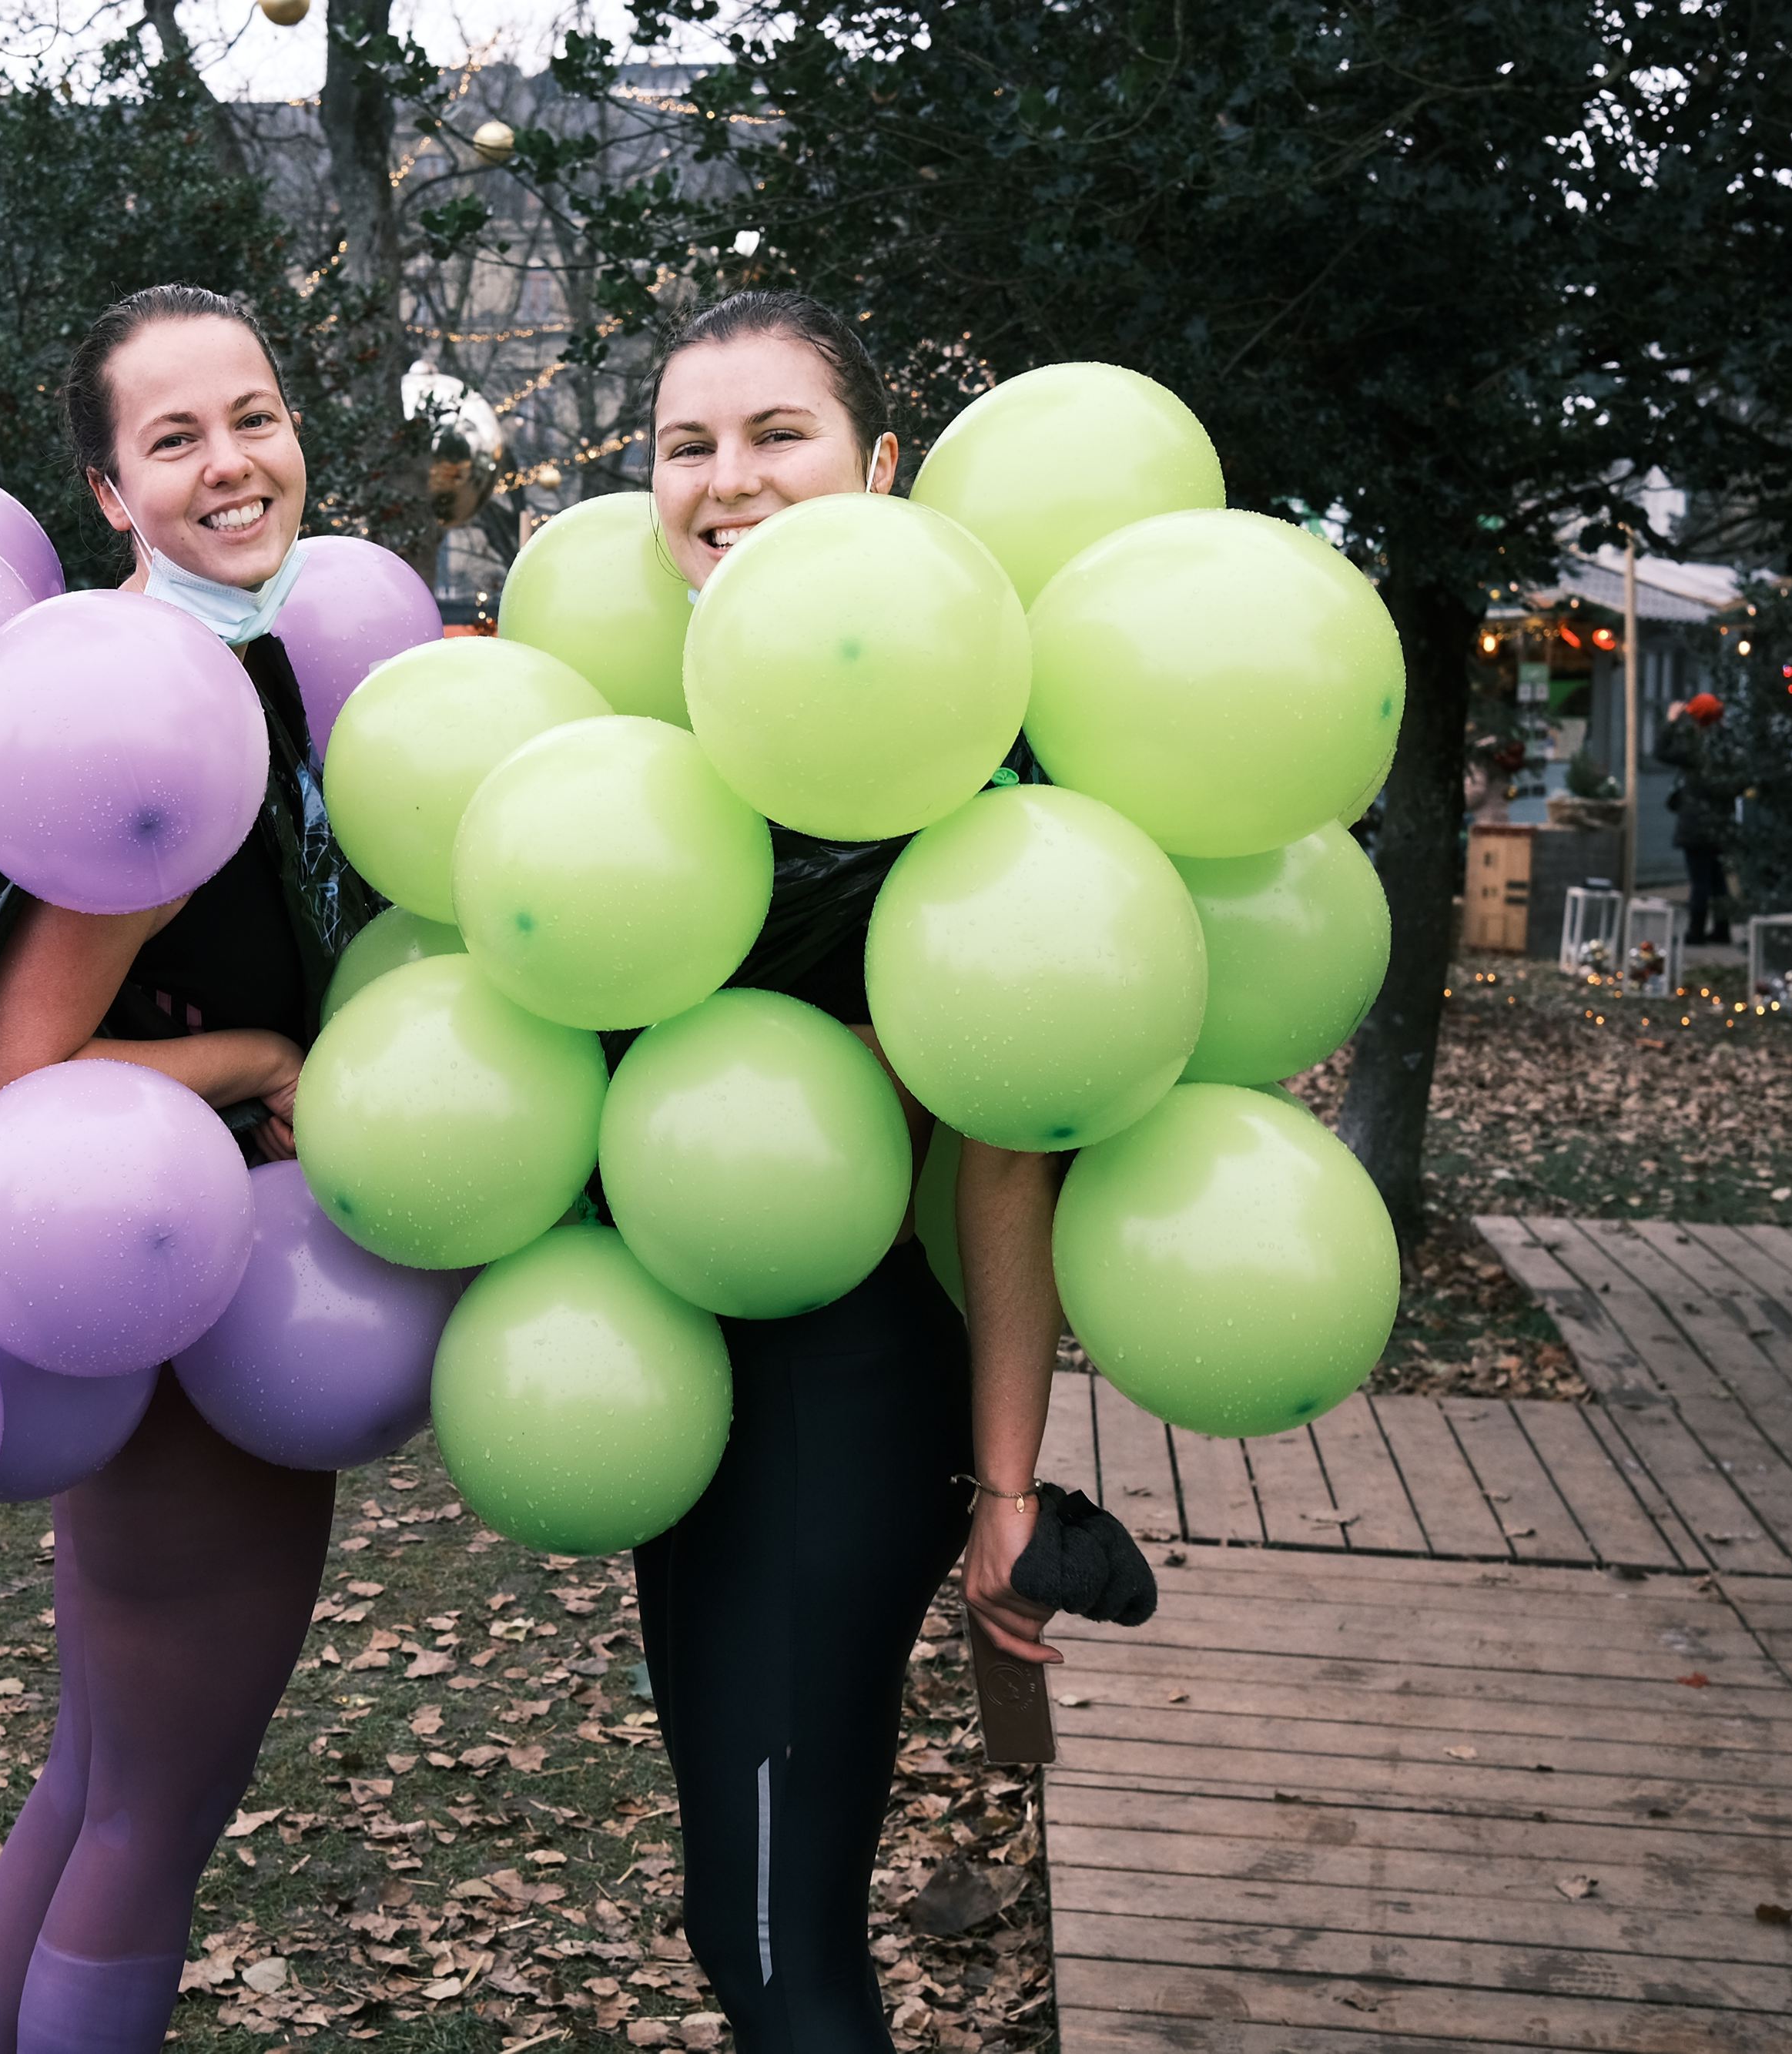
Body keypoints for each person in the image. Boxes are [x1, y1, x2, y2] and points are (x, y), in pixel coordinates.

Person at [630, 291, 1157, 2053]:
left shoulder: (956, 758)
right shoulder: (657, 732)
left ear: (875, 469)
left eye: (773, 435)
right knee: (734, 1911)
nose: (726, 481)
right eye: (683, 445)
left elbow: (1007, 1157)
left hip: (840, 1402)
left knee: (783, 1940)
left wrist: (1006, 1493)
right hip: (670, 1390)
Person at [0, 284, 347, 2054]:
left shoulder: (231, 660)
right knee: (150, 1814)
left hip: (156, 1280)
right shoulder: (144, 717)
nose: (233, 462)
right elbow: (16, 1068)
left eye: (253, 414)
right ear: (106, 489)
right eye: (175, 438)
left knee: (99, 1780)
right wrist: (261, 1063)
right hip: (174, 1301)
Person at [1658, 689, 1733, 943]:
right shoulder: (1725, 744)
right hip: (1721, 822)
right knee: (1718, 880)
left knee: (1699, 880)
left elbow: (1662, 752)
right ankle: (1722, 929)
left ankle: (1696, 931)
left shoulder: (1695, 746)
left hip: (1695, 823)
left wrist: (1670, 721)